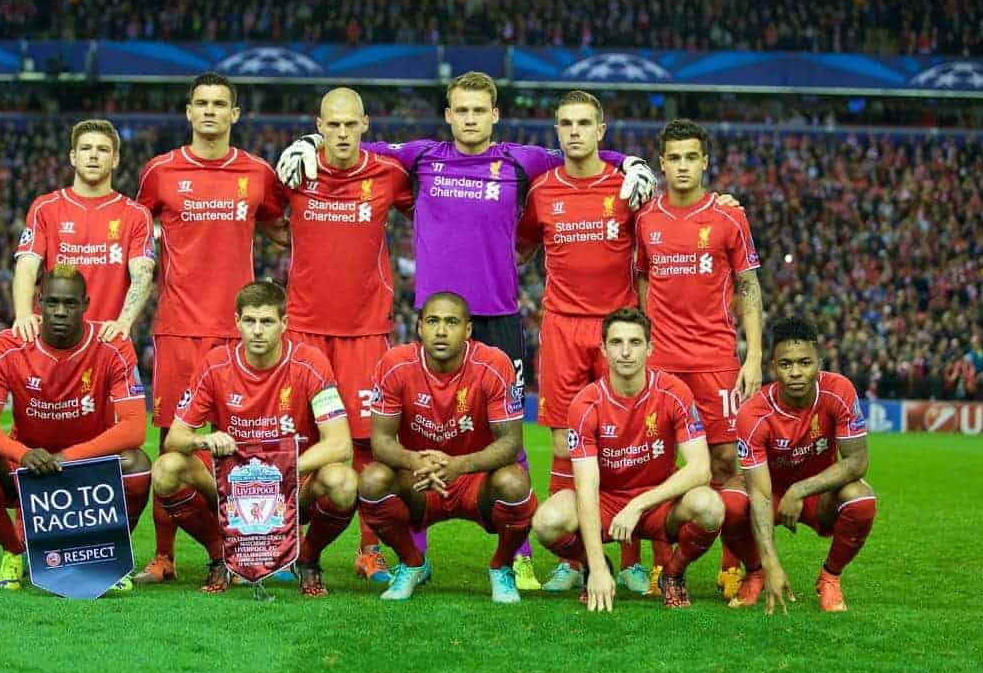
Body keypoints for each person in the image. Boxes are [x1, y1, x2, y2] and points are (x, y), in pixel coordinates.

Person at [278, 71, 657, 590]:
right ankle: (416, 556)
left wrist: (629, 160)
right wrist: (306, 140)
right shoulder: (420, 157)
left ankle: (520, 554)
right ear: (449, 115)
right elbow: (357, 141)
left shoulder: (522, 162)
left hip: (497, 318)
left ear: (495, 115)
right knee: (414, 433)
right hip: (433, 318)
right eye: (461, 110)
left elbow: (582, 153)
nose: (470, 119)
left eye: (480, 110)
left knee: (512, 440)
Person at [133, 73, 285, 584]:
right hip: (178, 329)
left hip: (240, 332)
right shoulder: (159, 173)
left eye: (221, 104)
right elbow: (135, 236)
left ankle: (254, 547)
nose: (211, 112)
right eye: (202, 103)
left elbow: (284, 225)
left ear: (235, 113)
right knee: (171, 444)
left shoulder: (258, 173)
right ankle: (165, 556)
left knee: (245, 444)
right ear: (189, 111)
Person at [272, 87, 414, 583]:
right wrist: (294, 150)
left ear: (366, 124)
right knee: (297, 440)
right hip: (306, 329)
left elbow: (432, 177)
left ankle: (369, 550)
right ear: (319, 125)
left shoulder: (388, 174)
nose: (342, 133)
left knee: (367, 444)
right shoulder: (295, 173)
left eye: (351, 124)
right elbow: (266, 216)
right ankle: (285, 548)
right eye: (332, 125)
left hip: (365, 331)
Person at [516, 90, 650, 593]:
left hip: (616, 328)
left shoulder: (627, 187)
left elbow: (652, 246)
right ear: (557, 131)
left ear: (601, 130)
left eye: (583, 123)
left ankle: (634, 558)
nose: (573, 132)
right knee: (562, 442)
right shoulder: (542, 192)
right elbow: (525, 245)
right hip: (562, 328)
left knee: (631, 439)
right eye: (565, 123)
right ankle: (574, 561)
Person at [150, 280, 355, 596]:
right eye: (250, 321)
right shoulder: (215, 364)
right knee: (166, 469)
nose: (258, 330)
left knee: (343, 481)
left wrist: (285, 470)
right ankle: (220, 555)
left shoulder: (310, 362)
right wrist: (206, 441)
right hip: (232, 485)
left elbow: (340, 443)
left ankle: (309, 559)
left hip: (291, 485)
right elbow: (175, 438)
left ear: (284, 324)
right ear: (237, 322)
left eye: (267, 321)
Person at [0, 265, 150, 591]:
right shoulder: (9, 345)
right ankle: (14, 554)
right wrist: (25, 454)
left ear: (86, 304)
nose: (60, 312)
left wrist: (68, 457)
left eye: (70, 304)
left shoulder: (113, 345)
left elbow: (134, 429)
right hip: (29, 471)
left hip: (89, 474)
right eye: (52, 302)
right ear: (39, 302)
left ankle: (105, 557)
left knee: (138, 467)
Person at [634, 118, 763, 601]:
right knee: (660, 464)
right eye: (674, 158)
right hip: (663, 362)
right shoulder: (646, 219)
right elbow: (642, 280)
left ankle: (733, 567)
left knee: (727, 462)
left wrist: (753, 356)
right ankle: (665, 566)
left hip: (716, 360)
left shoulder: (729, 217)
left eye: (692, 157)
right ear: (662, 163)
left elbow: (750, 287)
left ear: (705, 162)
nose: (683, 166)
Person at [532, 307, 723, 610]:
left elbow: (701, 469)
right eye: (616, 343)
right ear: (603, 349)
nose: (625, 352)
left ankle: (673, 574)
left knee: (709, 506)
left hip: (658, 504)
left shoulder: (674, 392)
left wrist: (639, 504)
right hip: (607, 502)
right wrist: (595, 568)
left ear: (650, 348)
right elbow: (586, 487)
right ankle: (598, 566)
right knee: (546, 521)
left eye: (635, 343)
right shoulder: (585, 404)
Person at [357, 292, 537, 603]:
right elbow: (381, 442)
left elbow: (511, 443)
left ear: (467, 330)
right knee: (372, 481)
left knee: (515, 482)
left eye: (451, 322)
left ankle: (502, 567)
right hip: (421, 479)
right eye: (433, 321)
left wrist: (457, 465)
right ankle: (412, 563)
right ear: (419, 327)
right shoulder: (394, 365)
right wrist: (416, 461)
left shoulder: (493, 364)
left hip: (475, 480)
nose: (441, 331)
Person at [721, 316, 877, 613]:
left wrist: (800, 490)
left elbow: (857, 462)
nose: (795, 372)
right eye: (786, 364)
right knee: (730, 502)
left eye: (805, 362)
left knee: (862, 499)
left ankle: (830, 577)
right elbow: (760, 493)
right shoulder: (753, 413)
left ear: (819, 363)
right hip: (771, 493)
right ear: (772, 367)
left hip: (819, 496)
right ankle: (754, 573)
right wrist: (770, 564)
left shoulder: (839, 391)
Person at [12, 119, 155, 343]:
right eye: (86, 148)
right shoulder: (46, 208)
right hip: (53, 341)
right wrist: (22, 315)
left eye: (103, 149)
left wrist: (124, 322)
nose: (94, 155)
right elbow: (27, 266)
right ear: (73, 157)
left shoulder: (136, 214)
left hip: (107, 341)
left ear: (115, 159)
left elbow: (143, 276)